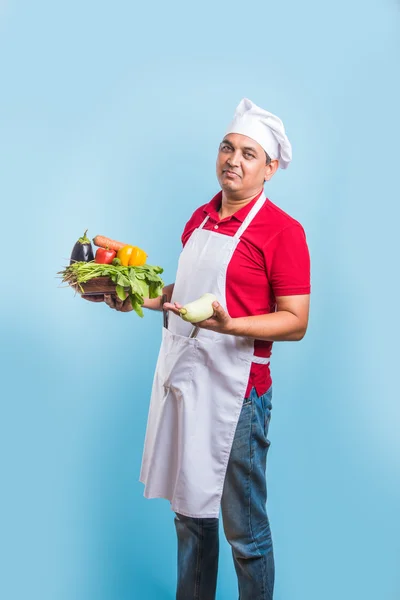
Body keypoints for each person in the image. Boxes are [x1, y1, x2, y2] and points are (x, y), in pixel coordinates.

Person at [83, 97, 311, 600]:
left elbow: (296, 322)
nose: (234, 159)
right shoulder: (201, 218)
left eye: (249, 153)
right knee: (190, 518)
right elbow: (180, 299)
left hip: (239, 397)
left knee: (244, 534)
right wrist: (132, 294)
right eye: (227, 148)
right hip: (186, 382)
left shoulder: (283, 232)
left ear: (270, 168)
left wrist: (231, 324)